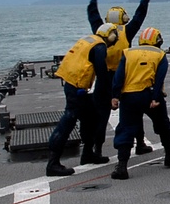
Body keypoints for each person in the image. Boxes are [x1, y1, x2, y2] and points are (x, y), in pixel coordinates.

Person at [87, 0, 151, 161]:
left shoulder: (99, 30)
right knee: (134, 111)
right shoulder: (127, 31)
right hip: (124, 77)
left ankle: (97, 149)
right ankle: (140, 143)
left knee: (101, 114)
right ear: (123, 18)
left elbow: (92, 14)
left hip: (103, 77)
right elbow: (140, 15)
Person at [46, 23, 120, 176]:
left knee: (91, 117)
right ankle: (53, 163)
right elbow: (102, 74)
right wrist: (112, 95)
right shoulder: (100, 47)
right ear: (111, 36)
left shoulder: (88, 40)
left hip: (72, 84)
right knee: (68, 120)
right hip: (77, 88)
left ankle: (88, 154)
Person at [109, 27, 170, 180]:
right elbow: (160, 78)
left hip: (129, 96)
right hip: (150, 94)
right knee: (163, 125)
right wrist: (155, 97)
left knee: (126, 129)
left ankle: (122, 166)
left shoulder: (128, 52)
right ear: (158, 41)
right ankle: (169, 155)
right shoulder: (160, 55)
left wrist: (115, 96)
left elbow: (119, 76)